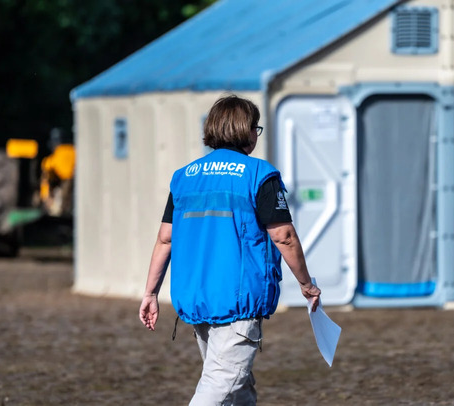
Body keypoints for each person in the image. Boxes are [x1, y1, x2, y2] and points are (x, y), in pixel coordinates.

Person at [138, 94, 321, 405]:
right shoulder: (259, 175)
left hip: (196, 300)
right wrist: (307, 284)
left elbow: (165, 239)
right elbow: (284, 236)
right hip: (238, 302)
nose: (256, 135)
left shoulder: (184, 178)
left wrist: (150, 293)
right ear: (244, 130)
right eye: (255, 128)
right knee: (222, 381)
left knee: (237, 385)